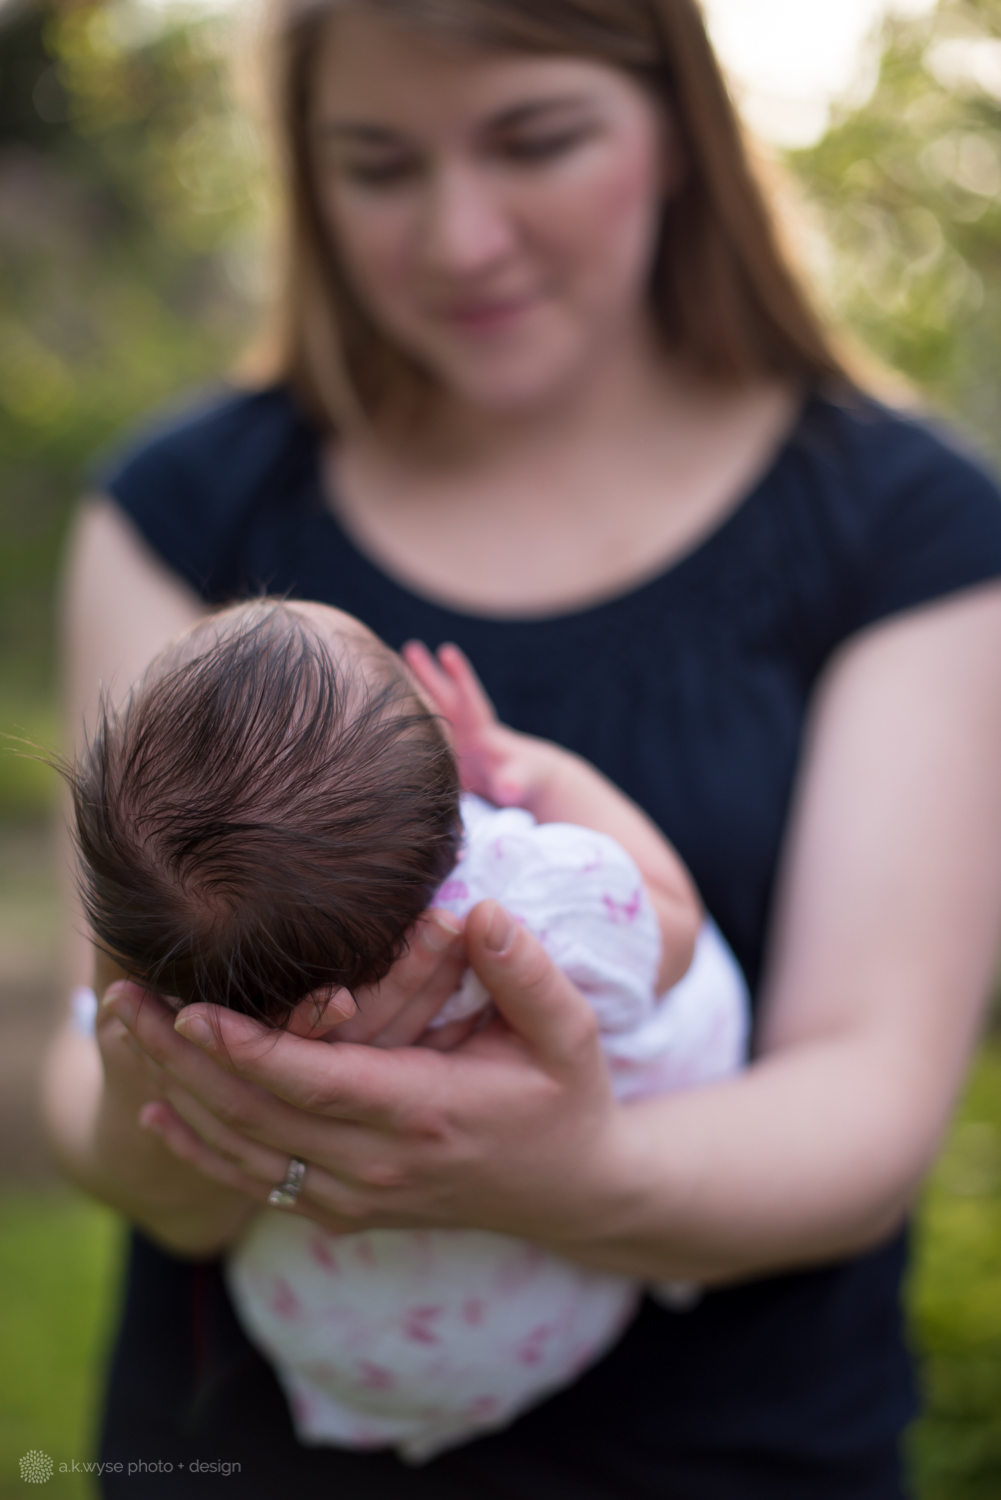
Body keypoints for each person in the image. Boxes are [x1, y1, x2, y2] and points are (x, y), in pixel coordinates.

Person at [42, 0, 1001, 1495]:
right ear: (302, 170)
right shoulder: (180, 509)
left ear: (680, 123)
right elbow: (99, 1091)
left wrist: (576, 1178)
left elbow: (871, 1106)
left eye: (535, 140)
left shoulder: (908, 528)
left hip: (736, 1459)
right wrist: (199, 1089)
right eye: (376, 165)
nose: (461, 238)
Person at [68, 595, 746, 1460]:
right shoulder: (519, 890)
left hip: (328, 1336)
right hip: (541, 1308)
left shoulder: (180, 1005)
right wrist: (532, 769)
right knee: (674, 1006)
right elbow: (670, 931)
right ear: (439, 764)